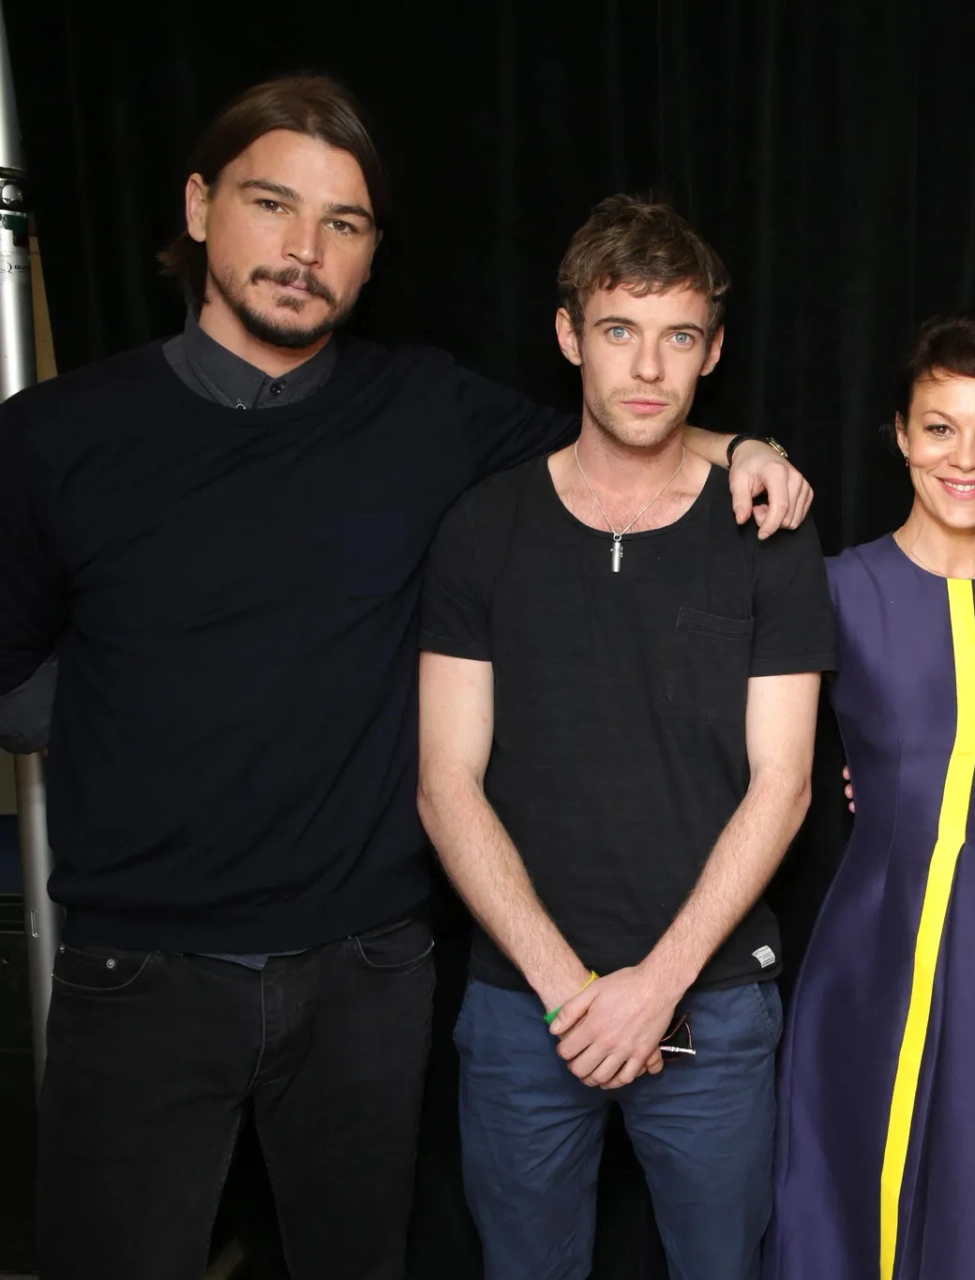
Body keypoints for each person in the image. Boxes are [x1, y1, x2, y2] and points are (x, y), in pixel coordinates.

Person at [0, 75, 810, 1280]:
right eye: (272, 204)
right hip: (143, 965)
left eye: (343, 223)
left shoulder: (425, 411)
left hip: (363, 969)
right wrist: (155, 709)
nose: (302, 247)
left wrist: (749, 443)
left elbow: (620, 425)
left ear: (373, 253)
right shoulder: (56, 435)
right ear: (197, 206)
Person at [416, 195, 835, 1280]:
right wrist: (567, 989)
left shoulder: (765, 534)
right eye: (618, 330)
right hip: (523, 1010)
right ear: (568, 335)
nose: (648, 366)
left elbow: (784, 783)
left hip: (714, 1007)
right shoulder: (485, 527)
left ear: (712, 351)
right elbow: (444, 782)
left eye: (679, 335)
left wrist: (655, 984)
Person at [766, 312, 975, 1280]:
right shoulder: (832, 588)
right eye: (940, 426)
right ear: (901, 434)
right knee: (859, 1182)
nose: (967, 456)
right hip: (873, 934)